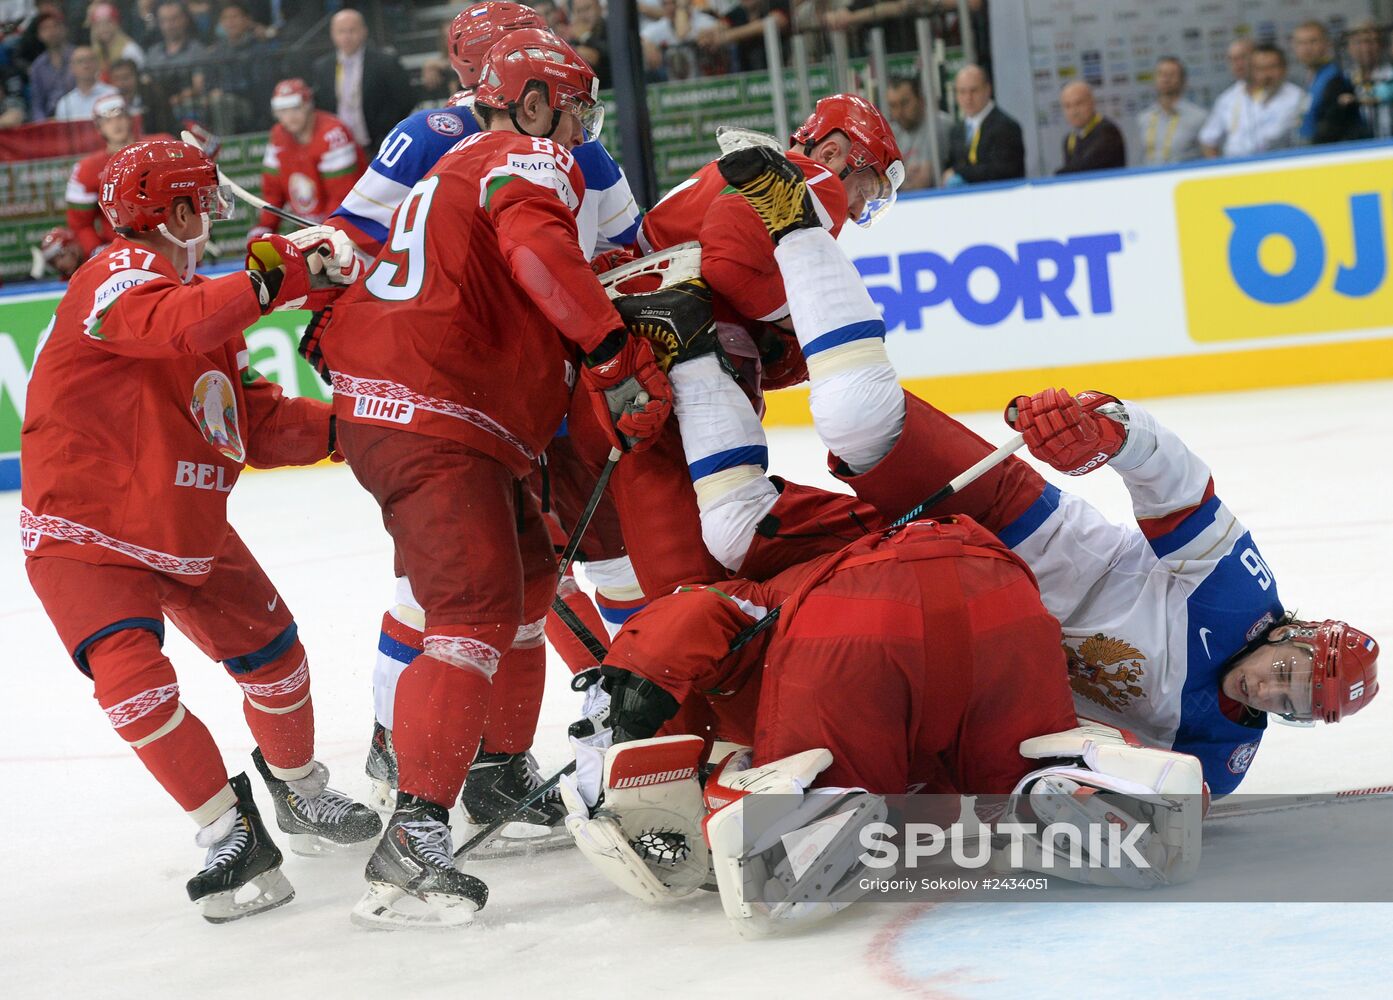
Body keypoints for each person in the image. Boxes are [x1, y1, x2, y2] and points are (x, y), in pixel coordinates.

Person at [613, 142, 1382, 797]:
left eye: (1291, 705)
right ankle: (796, 225)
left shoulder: (1221, 751)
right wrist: (1111, 429)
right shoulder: (1240, 594)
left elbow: (1126, 780)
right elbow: (1177, 484)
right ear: (1293, 633)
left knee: (735, 530)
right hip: (1012, 523)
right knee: (857, 419)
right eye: (1288, 671)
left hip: (963, 619)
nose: (1269, 691)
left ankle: (692, 355)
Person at [313, 29, 672, 928]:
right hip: (435, 418)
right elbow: (541, 258)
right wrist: (616, 358)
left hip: (440, 411)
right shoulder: (528, 155)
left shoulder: (462, 154)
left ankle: (490, 775)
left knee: (527, 584)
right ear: (536, 99)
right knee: (471, 618)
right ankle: (416, 833)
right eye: (573, 105)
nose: (582, 127)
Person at [21, 138, 379, 923]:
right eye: (206, 206)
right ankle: (226, 829)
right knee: (133, 683)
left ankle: (299, 792)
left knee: (279, 665)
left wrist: (370, 427)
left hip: (184, 521)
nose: (214, 221)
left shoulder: (202, 308)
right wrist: (280, 269)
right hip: (87, 530)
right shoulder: (116, 276)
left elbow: (248, 421)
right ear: (178, 211)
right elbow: (172, 323)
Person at [252, 79, 365, 236]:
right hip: (313, 231)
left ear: (308, 105)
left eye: (295, 108)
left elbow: (342, 196)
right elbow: (273, 192)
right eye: (282, 111)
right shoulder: (278, 135)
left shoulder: (334, 134)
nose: (289, 117)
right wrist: (265, 227)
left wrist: (325, 233)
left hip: (351, 228)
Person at [65, 94, 164, 257]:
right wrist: (98, 252)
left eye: (119, 116)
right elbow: (80, 224)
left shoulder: (161, 147)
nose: (115, 124)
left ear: (130, 118)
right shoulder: (86, 169)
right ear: (98, 127)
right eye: (107, 120)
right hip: (123, 255)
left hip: (170, 244)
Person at [311, 8, 416, 154]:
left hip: (380, 144)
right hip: (340, 148)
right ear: (333, 34)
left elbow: (406, 99)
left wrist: (387, 130)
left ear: (364, 31)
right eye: (341, 31)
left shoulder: (385, 62)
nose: (347, 36)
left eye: (352, 30)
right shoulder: (322, 67)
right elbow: (322, 105)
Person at [1200, 43, 1304, 157]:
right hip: (1237, 167)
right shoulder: (1228, 98)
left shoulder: (1297, 97)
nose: (1266, 75)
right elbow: (1208, 140)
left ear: (1284, 69)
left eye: (1272, 67)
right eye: (1260, 69)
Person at [943, 64, 1024, 184]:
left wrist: (959, 171)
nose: (968, 98)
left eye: (973, 91)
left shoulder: (1006, 126)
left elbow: (1002, 171)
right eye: (962, 92)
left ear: (987, 89)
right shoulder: (956, 130)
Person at [1292, 20, 1367, 144]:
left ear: (1327, 44)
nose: (1307, 48)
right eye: (1301, 43)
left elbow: (1333, 127)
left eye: (1313, 41)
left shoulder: (1335, 79)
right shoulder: (1307, 80)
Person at [1136, 56, 1207, 165]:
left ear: (1183, 81)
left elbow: (1210, 158)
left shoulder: (1199, 118)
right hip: (1151, 179)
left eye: (1171, 75)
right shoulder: (1144, 118)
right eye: (1161, 74)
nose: (1165, 79)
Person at [885, 75, 951, 188]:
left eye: (905, 103)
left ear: (921, 100)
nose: (899, 112)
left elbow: (922, 183)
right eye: (893, 105)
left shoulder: (938, 125)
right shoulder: (891, 132)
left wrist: (897, 182)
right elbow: (882, 186)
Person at [1056, 80, 1125, 173]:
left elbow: (1085, 167)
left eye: (1079, 103)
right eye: (1067, 106)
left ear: (1092, 102)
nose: (1074, 111)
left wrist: (1057, 175)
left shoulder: (1108, 132)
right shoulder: (1069, 139)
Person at [1346, 21, 1392, 139]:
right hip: (1358, 147)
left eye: (1371, 42)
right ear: (1349, 47)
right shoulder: (1344, 79)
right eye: (1359, 42)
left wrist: (1355, 101)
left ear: (1381, 46)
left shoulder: (1390, 74)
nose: (1365, 48)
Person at [28, 10, 75, 122]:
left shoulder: (78, 57)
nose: (51, 31)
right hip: (51, 121)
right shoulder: (37, 67)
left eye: (55, 26)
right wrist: (43, 123)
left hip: (78, 117)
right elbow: (37, 104)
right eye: (45, 28)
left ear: (64, 29)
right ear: (39, 35)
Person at [53, 46, 119, 120]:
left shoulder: (113, 94)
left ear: (98, 64)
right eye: (80, 61)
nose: (85, 65)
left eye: (90, 60)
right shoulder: (65, 103)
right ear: (72, 68)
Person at [88, 2, 146, 75]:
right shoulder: (95, 52)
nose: (103, 28)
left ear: (116, 25)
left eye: (108, 23)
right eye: (98, 25)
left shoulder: (130, 50)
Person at [565, 0, 610, 88]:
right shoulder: (574, 37)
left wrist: (586, 37)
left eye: (587, 9)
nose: (583, 16)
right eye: (579, 11)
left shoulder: (611, 27)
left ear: (599, 9)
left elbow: (615, 54)